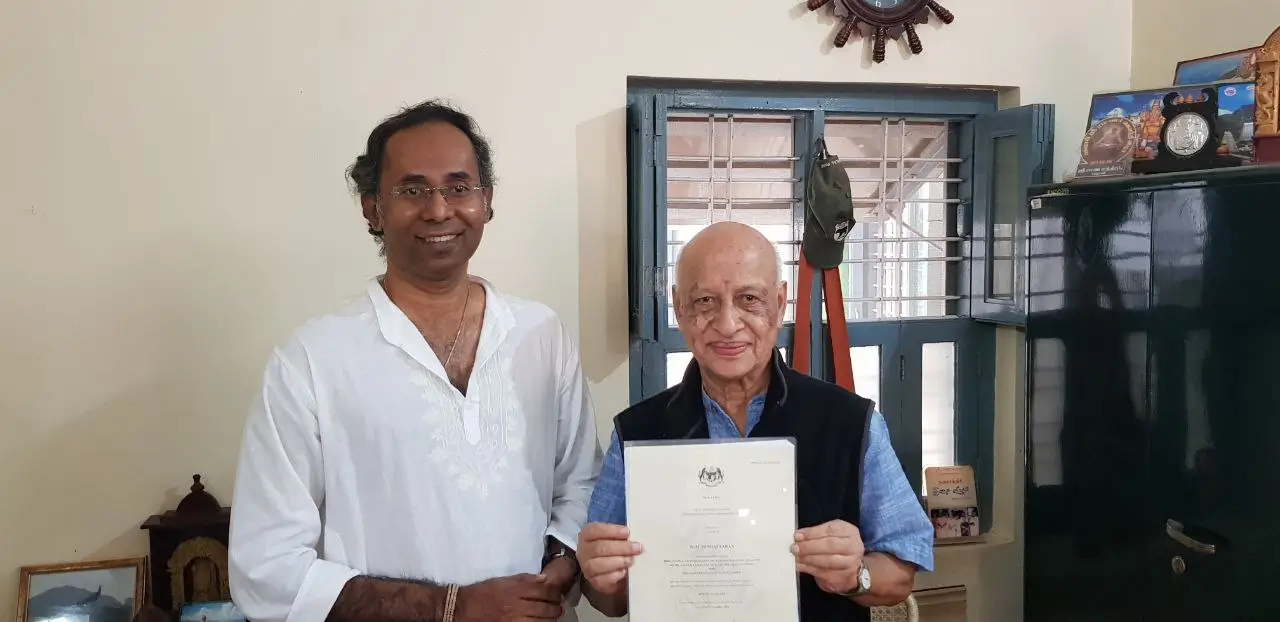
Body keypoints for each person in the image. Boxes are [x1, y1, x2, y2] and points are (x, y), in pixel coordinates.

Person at [228, 100, 602, 622]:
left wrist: (563, 556)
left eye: (459, 187)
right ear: (372, 209)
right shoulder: (311, 361)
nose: (439, 210)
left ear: (487, 201)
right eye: (412, 190)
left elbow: (581, 482)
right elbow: (266, 570)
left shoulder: (541, 335)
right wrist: (452, 607)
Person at [576, 221, 934, 621]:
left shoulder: (851, 423)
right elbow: (608, 599)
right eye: (705, 301)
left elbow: (901, 573)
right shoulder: (637, 434)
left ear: (780, 303)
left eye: (749, 299)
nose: (728, 325)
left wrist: (857, 574)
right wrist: (600, 576)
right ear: (679, 308)